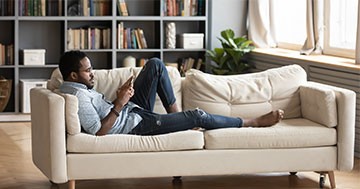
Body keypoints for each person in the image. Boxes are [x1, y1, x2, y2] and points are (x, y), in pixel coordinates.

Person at [59, 50, 284, 136]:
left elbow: (103, 111)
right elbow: (98, 131)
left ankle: (176, 118)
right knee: (197, 115)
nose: (93, 73)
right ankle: (251, 122)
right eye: (88, 71)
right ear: (73, 76)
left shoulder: (79, 88)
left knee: (156, 64)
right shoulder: (77, 97)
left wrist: (120, 99)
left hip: (130, 110)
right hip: (134, 124)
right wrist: (119, 103)